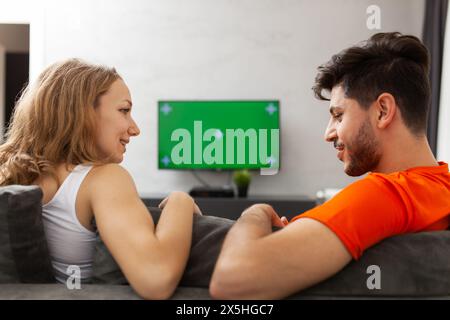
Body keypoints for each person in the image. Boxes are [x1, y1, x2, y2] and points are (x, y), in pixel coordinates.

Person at [209, 32, 450, 299]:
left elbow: (232, 280)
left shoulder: (386, 194)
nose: (328, 133)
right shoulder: (439, 189)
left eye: (338, 115)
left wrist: (254, 213)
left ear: (383, 110)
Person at [0, 58, 201, 300]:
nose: (135, 128)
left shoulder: (10, 173)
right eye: (124, 110)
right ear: (82, 113)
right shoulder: (103, 179)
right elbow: (156, 279)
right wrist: (181, 201)